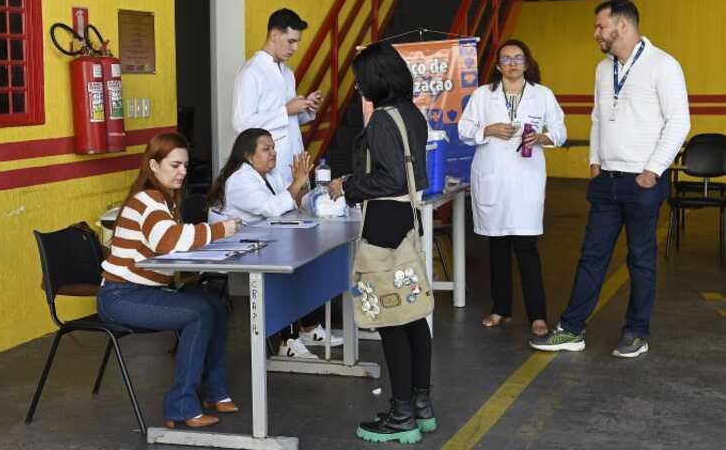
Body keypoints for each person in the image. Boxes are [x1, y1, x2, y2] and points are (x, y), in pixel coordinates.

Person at [530, 0, 690, 358]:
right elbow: (598, 117)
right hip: (607, 180)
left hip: (642, 182)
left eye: (601, 26)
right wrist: (594, 160)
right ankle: (571, 329)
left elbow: (679, 122)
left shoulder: (663, 65)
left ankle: (637, 332)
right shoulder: (604, 69)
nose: (596, 33)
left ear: (623, 26)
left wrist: (653, 170)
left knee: (640, 258)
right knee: (592, 256)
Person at [97, 133, 240, 428]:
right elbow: (167, 241)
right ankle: (181, 408)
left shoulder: (162, 199)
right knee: (199, 313)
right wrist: (219, 231)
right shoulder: (148, 199)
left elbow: (170, 240)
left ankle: (215, 391)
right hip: (121, 297)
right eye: (175, 165)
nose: (183, 172)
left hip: (141, 292)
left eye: (185, 166)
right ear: (153, 165)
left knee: (214, 304)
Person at [328, 42, 433, 444]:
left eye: (359, 80)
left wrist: (347, 185)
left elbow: (388, 178)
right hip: (406, 220)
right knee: (412, 315)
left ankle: (401, 415)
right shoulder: (411, 114)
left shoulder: (382, 121)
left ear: (376, 78)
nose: (357, 88)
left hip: (384, 223)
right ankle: (421, 406)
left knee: (391, 321)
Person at [458, 39, 567, 336]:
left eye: (518, 58)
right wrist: (488, 130)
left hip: (526, 181)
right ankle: (500, 309)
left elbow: (560, 130)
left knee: (527, 248)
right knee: (498, 247)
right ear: (497, 66)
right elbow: (464, 130)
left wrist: (542, 138)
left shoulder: (542, 95)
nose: (512, 63)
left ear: (527, 62)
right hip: (493, 179)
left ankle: (538, 315)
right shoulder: (483, 95)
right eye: (506, 59)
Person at [204, 128, 344, 358]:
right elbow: (272, 208)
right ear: (249, 156)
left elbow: (290, 204)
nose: (273, 153)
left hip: (260, 241)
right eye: (266, 149)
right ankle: (287, 341)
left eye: (274, 148)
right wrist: (296, 183)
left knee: (309, 260)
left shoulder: (270, 174)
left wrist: (303, 184)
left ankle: (307, 327)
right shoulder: (240, 179)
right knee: (285, 267)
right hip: (231, 248)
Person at [232, 8, 323, 184]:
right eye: (291, 41)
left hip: (295, 160)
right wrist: (286, 110)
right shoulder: (251, 72)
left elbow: (291, 120)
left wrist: (307, 107)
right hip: (270, 166)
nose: (295, 48)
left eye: (297, 42)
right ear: (274, 36)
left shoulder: (288, 73)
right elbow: (241, 124)